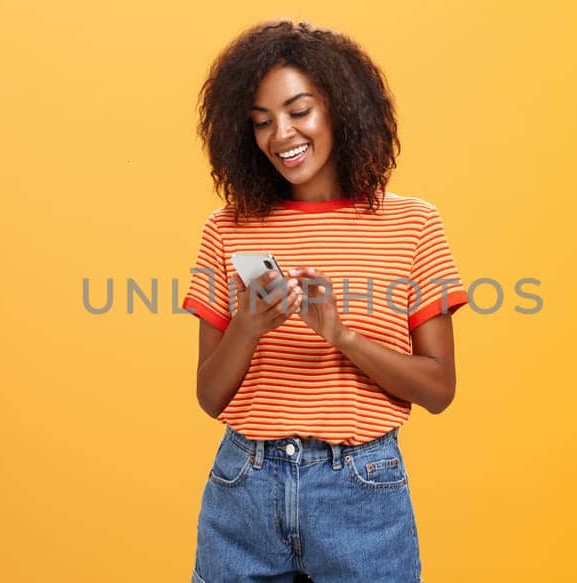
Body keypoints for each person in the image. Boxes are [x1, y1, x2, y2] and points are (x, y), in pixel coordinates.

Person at [184, 20, 468, 583]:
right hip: (244, 485)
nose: (280, 135)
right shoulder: (227, 229)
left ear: (340, 107)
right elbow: (210, 397)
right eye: (261, 122)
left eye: (299, 110)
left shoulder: (413, 225)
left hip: (361, 489)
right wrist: (247, 325)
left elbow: (439, 390)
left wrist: (340, 336)